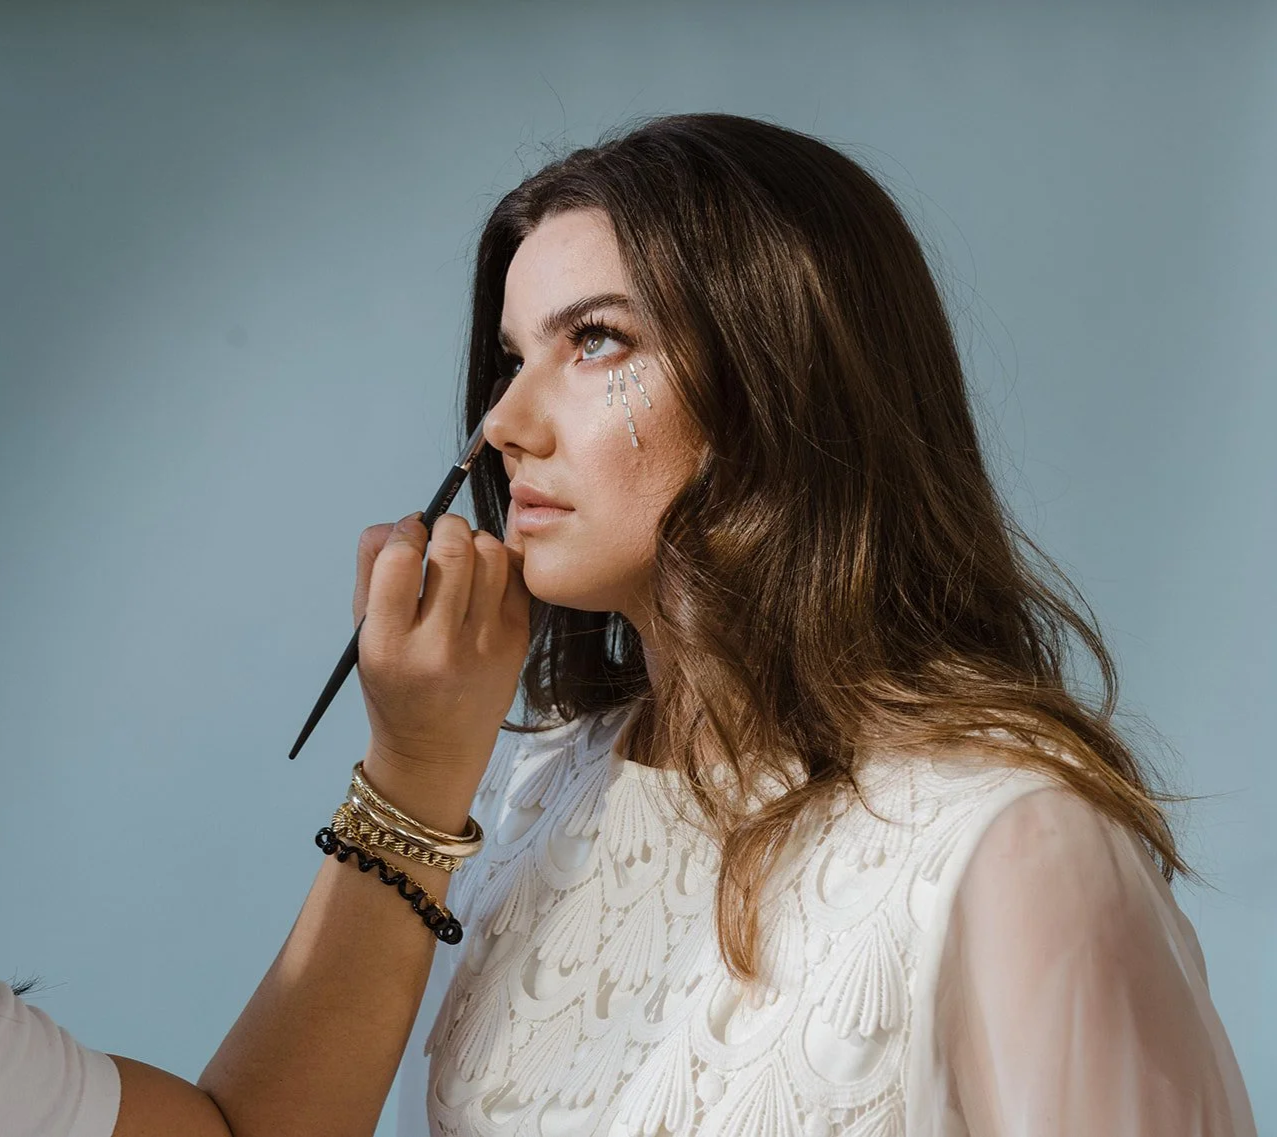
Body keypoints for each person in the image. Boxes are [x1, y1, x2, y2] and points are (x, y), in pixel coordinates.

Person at [2, 111, 1256, 1137]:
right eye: (508, 359)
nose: (500, 423)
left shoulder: (1006, 844)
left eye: (593, 341)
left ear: (782, 372)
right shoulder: (547, 788)